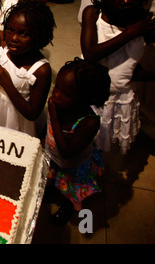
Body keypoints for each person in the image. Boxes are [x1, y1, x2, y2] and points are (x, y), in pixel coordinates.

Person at [67, 0, 155, 144]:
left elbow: (128, 69)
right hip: (93, 92)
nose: (126, 0)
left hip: (122, 97)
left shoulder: (144, 23)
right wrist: (132, 33)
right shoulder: (93, 14)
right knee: (86, 139)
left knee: (114, 141)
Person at [0, 0, 54, 137]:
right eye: (10, 30)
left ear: (39, 35)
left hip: (14, 120)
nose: (14, 38)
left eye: (24, 34)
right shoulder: (5, 43)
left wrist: (7, 84)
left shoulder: (41, 70)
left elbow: (32, 113)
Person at [44, 58, 110, 226]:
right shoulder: (60, 105)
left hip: (73, 165)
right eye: (57, 86)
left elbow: (67, 152)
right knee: (52, 175)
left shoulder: (89, 121)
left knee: (72, 190)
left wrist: (53, 114)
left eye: (66, 94)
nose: (56, 94)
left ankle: (69, 207)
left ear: (85, 99)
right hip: (53, 156)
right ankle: (52, 189)